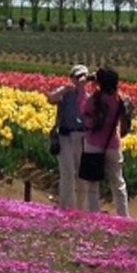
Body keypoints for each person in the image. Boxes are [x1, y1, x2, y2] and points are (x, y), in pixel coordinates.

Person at [78, 66, 133, 217]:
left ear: (100, 82)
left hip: (93, 144)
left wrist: (86, 86)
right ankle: (123, 215)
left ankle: (94, 215)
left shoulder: (95, 99)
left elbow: (83, 110)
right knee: (118, 182)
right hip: (113, 144)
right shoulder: (120, 99)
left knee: (93, 184)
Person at [44, 65, 93, 211]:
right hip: (65, 136)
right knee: (67, 173)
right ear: (71, 78)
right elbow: (50, 98)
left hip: (82, 137)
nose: (80, 80)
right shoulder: (65, 94)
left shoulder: (89, 97)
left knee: (82, 176)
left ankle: (81, 208)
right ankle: (66, 208)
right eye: (77, 77)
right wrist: (66, 88)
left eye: (83, 77)